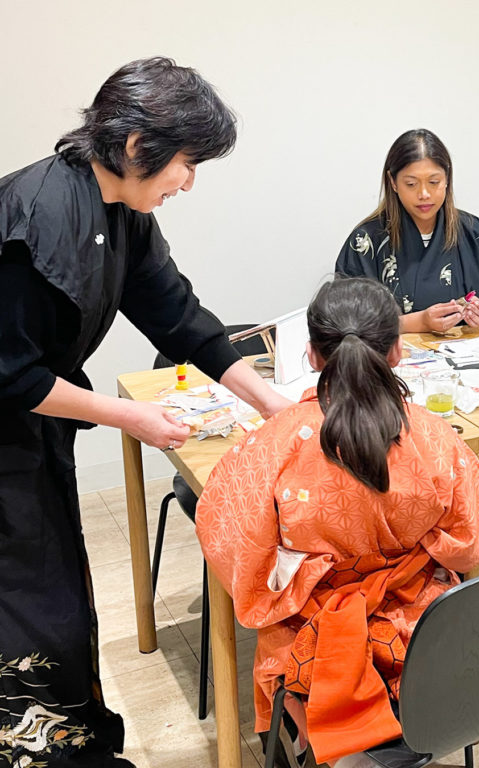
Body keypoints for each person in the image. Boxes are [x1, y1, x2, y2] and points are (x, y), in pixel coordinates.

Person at [0, 57, 291, 767]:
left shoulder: (120, 211)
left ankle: (77, 742)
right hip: (6, 433)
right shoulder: (37, 214)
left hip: (32, 432)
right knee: (30, 605)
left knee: (59, 591)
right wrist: (129, 417)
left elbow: (179, 317)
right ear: (136, 147)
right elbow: (10, 373)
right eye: (187, 164)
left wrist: (269, 397)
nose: (188, 182)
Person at [196, 275, 479, 767]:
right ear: (398, 352)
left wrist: (303, 564)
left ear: (312, 355)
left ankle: (326, 736)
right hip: (422, 633)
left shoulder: (276, 444)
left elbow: (230, 543)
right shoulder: (430, 434)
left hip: (315, 631)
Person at [335, 128, 479, 333]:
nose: (424, 194)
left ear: (447, 179)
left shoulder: (475, 233)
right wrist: (417, 323)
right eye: (411, 184)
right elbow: (343, 322)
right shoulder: (366, 242)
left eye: (434, 182)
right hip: (394, 360)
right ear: (393, 182)